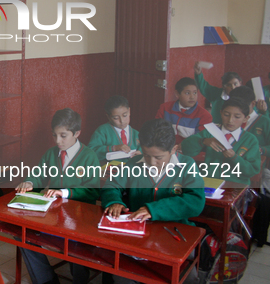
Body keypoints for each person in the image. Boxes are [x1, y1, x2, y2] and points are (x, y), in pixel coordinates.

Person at [101, 119, 205, 284]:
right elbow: (112, 184)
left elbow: (196, 201)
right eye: (146, 155)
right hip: (138, 236)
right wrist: (114, 201)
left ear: (173, 149)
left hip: (175, 236)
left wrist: (153, 210)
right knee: (122, 276)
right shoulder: (133, 164)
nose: (151, 162)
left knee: (186, 277)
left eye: (158, 157)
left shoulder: (187, 166)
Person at [15, 108, 100, 284]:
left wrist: (65, 193)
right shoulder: (50, 154)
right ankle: (46, 279)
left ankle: (80, 278)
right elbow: (38, 175)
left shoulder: (89, 156)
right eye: (54, 135)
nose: (57, 140)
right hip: (54, 216)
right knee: (21, 234)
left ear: (77, 133)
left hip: (79, 219)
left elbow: (92, 190)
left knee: (76, 245)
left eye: (63, 135)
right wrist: (30, 183)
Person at [181, 98, 261, 185]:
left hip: (236, 186)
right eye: (226, 115)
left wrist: (234, 158)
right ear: (221, 113)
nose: (230, 120)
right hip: (210, 183)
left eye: (237, 117)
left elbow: (252, 170)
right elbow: (185, 148)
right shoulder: (210, 132)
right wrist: (203, 141)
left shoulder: (250, 140)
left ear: (246, 119)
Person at [231, 86, 270, 246]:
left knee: (260, 200)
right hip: (231, 172)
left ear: (252, 103)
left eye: (243, 104)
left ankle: (256, 236)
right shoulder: (231, 119)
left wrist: (260, 149)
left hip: (256, 172)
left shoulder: (263, 121)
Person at [155, 77, 212, 145]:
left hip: (190, 151)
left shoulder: (204, 115)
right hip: (166, 148)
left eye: (195, 93)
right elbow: (158, 131)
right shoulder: (165, 108)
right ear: (177, 94)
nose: (192, 97)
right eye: (187, 93)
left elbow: (199, 140)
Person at [87, 95, 141, 163]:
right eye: (116, 118)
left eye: (125, 115)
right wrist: (114, 148)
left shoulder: (137, 134)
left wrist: (141, 155)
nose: (122, 121)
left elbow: (146, 151)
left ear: (129, 111)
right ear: (108, 117)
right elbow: (91, 151)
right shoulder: (102, 131)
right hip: (109, 170)